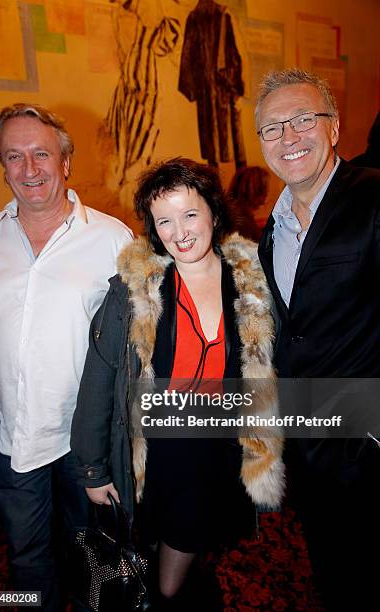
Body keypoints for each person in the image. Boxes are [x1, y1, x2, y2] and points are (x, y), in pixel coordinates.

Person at [71, 157, 284, 609]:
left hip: (219, 449)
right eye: (163, 220)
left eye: (190, 214)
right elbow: (98, 378)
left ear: (213, 211)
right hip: (157, 450)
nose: (179, 231)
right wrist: (91, 468)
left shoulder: (250, 283)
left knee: (189, 549)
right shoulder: (134, 293)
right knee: (156, 555)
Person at [0, 103, 132, 611]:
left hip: (87, 447)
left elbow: (133, 346)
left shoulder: (113, 239)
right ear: (3, 167)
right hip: (15, 440)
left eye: (42, 154)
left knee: (94, 563)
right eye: (14, 157)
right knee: (25, 564)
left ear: (66, 162)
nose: (29, 169)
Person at [256, 68, 380, 610]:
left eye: (304, 119)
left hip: (369, 446)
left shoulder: (373, 196)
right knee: (335, 574)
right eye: (274, 127)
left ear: (334, 128)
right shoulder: (272, 227)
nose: (289, 136)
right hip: (309, 444)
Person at [227, 165, 270, 242]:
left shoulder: (234, 212)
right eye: (265, 188)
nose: (267, 193)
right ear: (256, 191)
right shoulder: (242, 221)